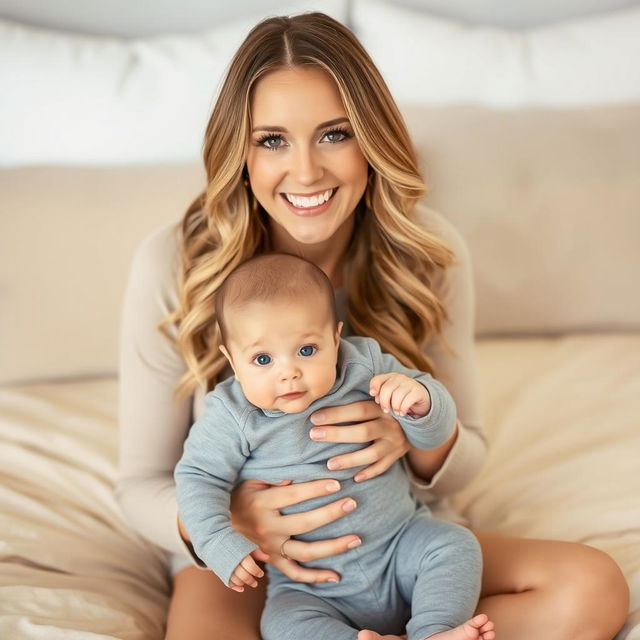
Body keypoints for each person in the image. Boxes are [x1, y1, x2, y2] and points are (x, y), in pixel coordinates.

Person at [116, 11, 629, 640]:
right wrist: (234, 522)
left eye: (334, 134)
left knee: (591, 589)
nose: (306, 173)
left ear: (372, 138)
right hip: (257, 563)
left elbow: (467, 456)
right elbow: (140, 484)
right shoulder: (176, 264)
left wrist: (411, 429)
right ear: (239, 153)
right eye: (271, 140)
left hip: (398, 535)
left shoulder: (430, 251)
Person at [174, 253, 493, 640]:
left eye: (307, 350)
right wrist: (218, 541)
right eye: (262, 359)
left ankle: (433, 631)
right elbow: (196, 478)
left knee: (455, 545)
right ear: (232, 361)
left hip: (400, 545)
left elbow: (435, 431)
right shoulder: (232, 416)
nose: (288, 371)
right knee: (283, 626)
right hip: (313, 587)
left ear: (336, 338)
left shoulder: (365, 366)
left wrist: (421, 402)